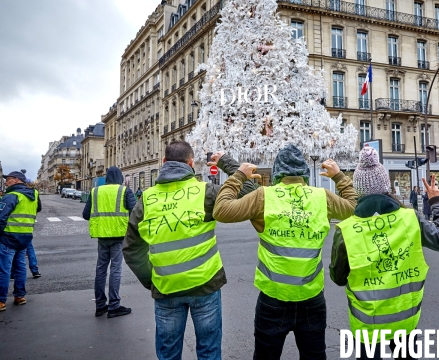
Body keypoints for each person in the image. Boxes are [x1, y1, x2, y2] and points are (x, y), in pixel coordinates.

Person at [212, 144, 357, 360]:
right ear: (305, 174)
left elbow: (221, 211)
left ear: (278, 172)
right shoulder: (321, 197)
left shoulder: (263, 196)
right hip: (311, 297)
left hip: (273, 298)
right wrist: (339, 177)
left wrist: (238, 176)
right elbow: (355, 208)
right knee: (314, 356)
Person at [123, 141, 258, 360]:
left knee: (168, 353)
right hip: (205, 285)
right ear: (191, 163)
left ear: (164, 162)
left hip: (166, 289)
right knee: (208, 351)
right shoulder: (205, 192)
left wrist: (154, 280)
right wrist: (228, 164)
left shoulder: (146, 200)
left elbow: (131, 249)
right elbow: (251, 194)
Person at [329, 147, 439, 359]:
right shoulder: (410, 218)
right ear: (386, 186)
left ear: (359, 190)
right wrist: (436, 201)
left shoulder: (347, 229)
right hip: (405, 321)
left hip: (368, 324)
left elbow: (339, 278)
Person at [82, 166, 136, 318]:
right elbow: (135, 213)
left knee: (100, 270)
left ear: (106, 178)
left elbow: (86, 214)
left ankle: (100, 305)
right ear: (120, 177)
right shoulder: (124, 191)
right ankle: (114, 306)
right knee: (116, 270)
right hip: (119, 235)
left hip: (101, 236)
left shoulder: (96, 191)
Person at [0, 171, 42, 311]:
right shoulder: (34, 194)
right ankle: (20, 296)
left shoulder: (12, 195)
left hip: (9, 237)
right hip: (25, 236)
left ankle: (1, 301)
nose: (6, 182)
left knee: (4, 270)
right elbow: (38, 209)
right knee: (20, 267)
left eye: (9, 179)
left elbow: (1, 217)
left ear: (16, 180)